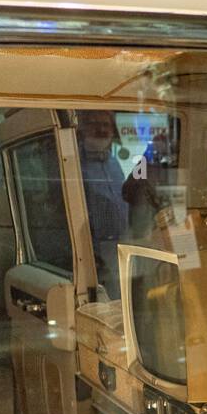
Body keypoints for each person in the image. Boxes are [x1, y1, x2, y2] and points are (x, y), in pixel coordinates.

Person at [78, 111, 130, 296]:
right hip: (93, 253)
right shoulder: (73, 163)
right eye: (93, 123)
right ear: (82, 128)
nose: (100, 129)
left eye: (105, 125)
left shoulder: (113, 162)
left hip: (121, 246)